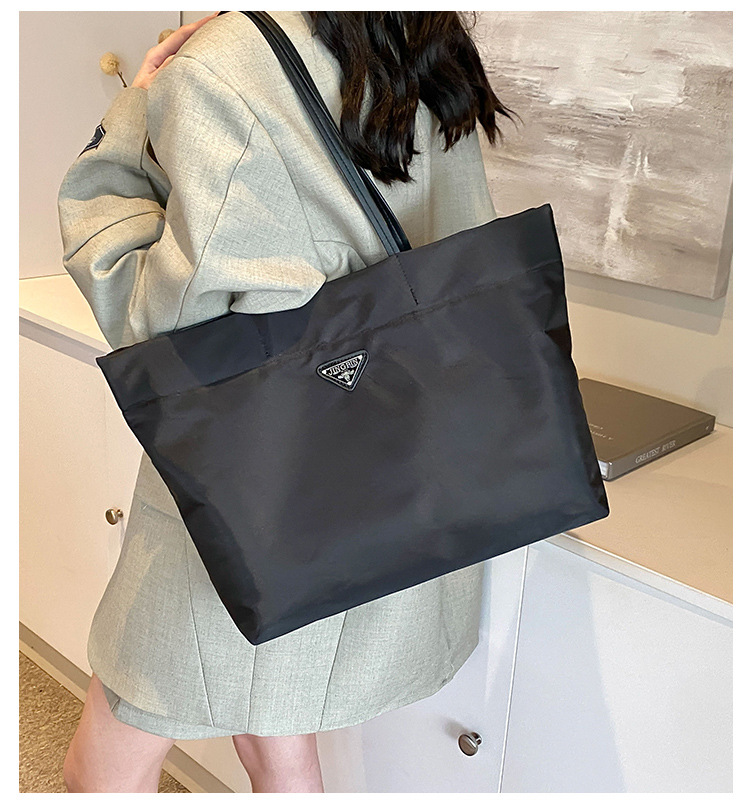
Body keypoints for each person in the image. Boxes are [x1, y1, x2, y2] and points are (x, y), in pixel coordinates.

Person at [56, 10, 518, 793]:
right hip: (390, 466)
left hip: (250, 490)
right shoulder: (414, 34)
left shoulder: (223, 61)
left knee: (105, 761)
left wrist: (133, 115)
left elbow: (159, 319)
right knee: (279, 749)